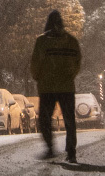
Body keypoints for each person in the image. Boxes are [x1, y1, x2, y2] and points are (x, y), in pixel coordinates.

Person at [30, 9, 82, 163]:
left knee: (45, 120)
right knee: (69, 120)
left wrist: (38, 77)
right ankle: (71, 152)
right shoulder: (72, 41)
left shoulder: (42, 41)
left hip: (47, 87)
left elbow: (35, 64)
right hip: (66, 87)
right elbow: (77, 63)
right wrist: (69, 76)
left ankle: (50, 148)